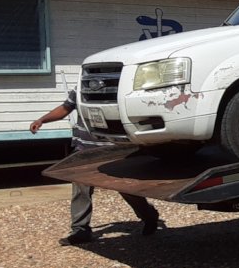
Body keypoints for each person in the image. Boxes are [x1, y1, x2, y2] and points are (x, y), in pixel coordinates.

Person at [30, 89, 162, 245]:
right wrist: (42, 120)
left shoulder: (120, 89)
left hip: (113, 151)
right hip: (84, 151)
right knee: (81, 190)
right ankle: (80, 230)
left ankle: (149, 216)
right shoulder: (80, 90)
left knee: (127, 189)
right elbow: (65, 108)